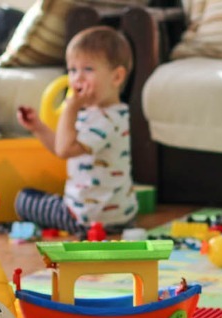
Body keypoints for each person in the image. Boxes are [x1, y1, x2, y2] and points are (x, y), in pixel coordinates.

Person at [14, 26, 137, 235]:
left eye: (88, 69)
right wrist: (38, 127)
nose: (77, 78)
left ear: (116, 77)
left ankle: (81, 223)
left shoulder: (106, 119)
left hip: (85, 218)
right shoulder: (115, 114)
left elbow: (64, 150)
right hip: (121, 215)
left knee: (23, 199)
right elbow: (62, 147)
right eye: (72, 70)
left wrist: (70, 108)